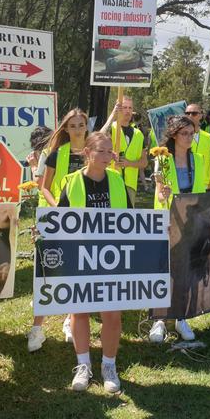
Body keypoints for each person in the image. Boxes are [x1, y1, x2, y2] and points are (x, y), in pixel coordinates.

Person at [58, 132, 132, 393]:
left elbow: (133, 221)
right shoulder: (72, 182)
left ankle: (109, 365)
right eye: (101, 151)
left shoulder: (117, 181)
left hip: (112, 258)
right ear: (87, 153)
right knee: (80, 310)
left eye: (110, 151)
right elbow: (59, 221)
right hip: (81, 256)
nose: (108, 156)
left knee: (112, 313)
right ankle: (83, 365)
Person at [28, 110, 88, 352]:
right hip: (56, 219)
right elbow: (44, 187)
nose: (77, 129)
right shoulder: (56, 153)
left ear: (86, 127)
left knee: (76, 271)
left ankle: (68, 321)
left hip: (84, 223)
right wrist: (59, 209)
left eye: (81, 125)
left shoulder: (92, 152)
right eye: (72, 125)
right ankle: (37, 328)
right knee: (48, 272)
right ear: (65, 128)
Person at [149, 115, 207, 343]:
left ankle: (181, 316)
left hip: (190, 220)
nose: (189, 138)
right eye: (184, 133)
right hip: (166, 218)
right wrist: (162, 193)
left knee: (184, 270)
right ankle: (159, 319)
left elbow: (200, 190)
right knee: (164, 269)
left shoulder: (199, 159)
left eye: (192, 133)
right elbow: (159, 188)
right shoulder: (162, 158)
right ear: (174, 135)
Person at [101, 96, 148, 206]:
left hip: (130, 185)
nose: (127, 110)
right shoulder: (112, 127)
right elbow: (100, 136)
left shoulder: (138, 134)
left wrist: (129, 163)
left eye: (130, 108)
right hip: (110, 181)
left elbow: (144, 162)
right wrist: (113, 115)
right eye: (124, 107)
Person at [185, 103, 210, 187]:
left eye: (194, 113)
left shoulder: (208, 137)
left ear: (201, 115)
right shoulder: (178, 136)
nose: (190, 115)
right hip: (183, 183)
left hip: (203, 184)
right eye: (187, 113)